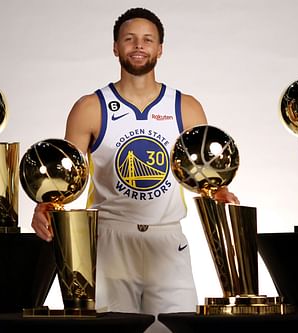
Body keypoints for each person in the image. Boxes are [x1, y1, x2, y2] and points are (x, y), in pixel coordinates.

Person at [32, 7, 239, 333]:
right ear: (116, 47)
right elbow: (66, 178)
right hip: (110, 239)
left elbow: (201, 174)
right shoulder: (90, 107)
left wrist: (218, 192)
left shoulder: (185, 107)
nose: (138, 46)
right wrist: (47, 204)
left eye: (147, 39)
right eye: (129, 39)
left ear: (160, 49)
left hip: (167, 240)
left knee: (176, 329)